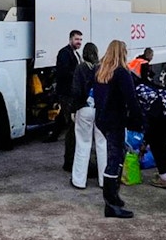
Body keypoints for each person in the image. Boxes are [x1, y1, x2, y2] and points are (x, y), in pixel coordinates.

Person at [94, 40, 143, 218]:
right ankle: (111, 203)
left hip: (103, 121)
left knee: (113, 157)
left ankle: (113, 197)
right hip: (116, 121)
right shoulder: (122, 73)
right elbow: (131, 99)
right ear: (122, 53)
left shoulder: (101, 72)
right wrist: (138, 120)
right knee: (115, 160)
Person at [45, 30, 83, 171]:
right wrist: (78, 75)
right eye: (76, 39)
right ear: (70, 39)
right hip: (67, 92)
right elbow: (63, 72)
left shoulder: (75, 53)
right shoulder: (64, 53)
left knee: (63, 116)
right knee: (71, 124)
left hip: (70, 92)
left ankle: (54, 135)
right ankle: (69, 161)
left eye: (80, 39)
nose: (79, 42)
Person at [70, 43, 106, 189]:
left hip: (84, 109)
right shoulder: (101, 68)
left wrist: (73, 109)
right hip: (99, 109)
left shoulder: (80, 68)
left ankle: (79, 181)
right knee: (102, 144)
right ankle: (104, 180)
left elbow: (76, 91)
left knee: (83, 144)